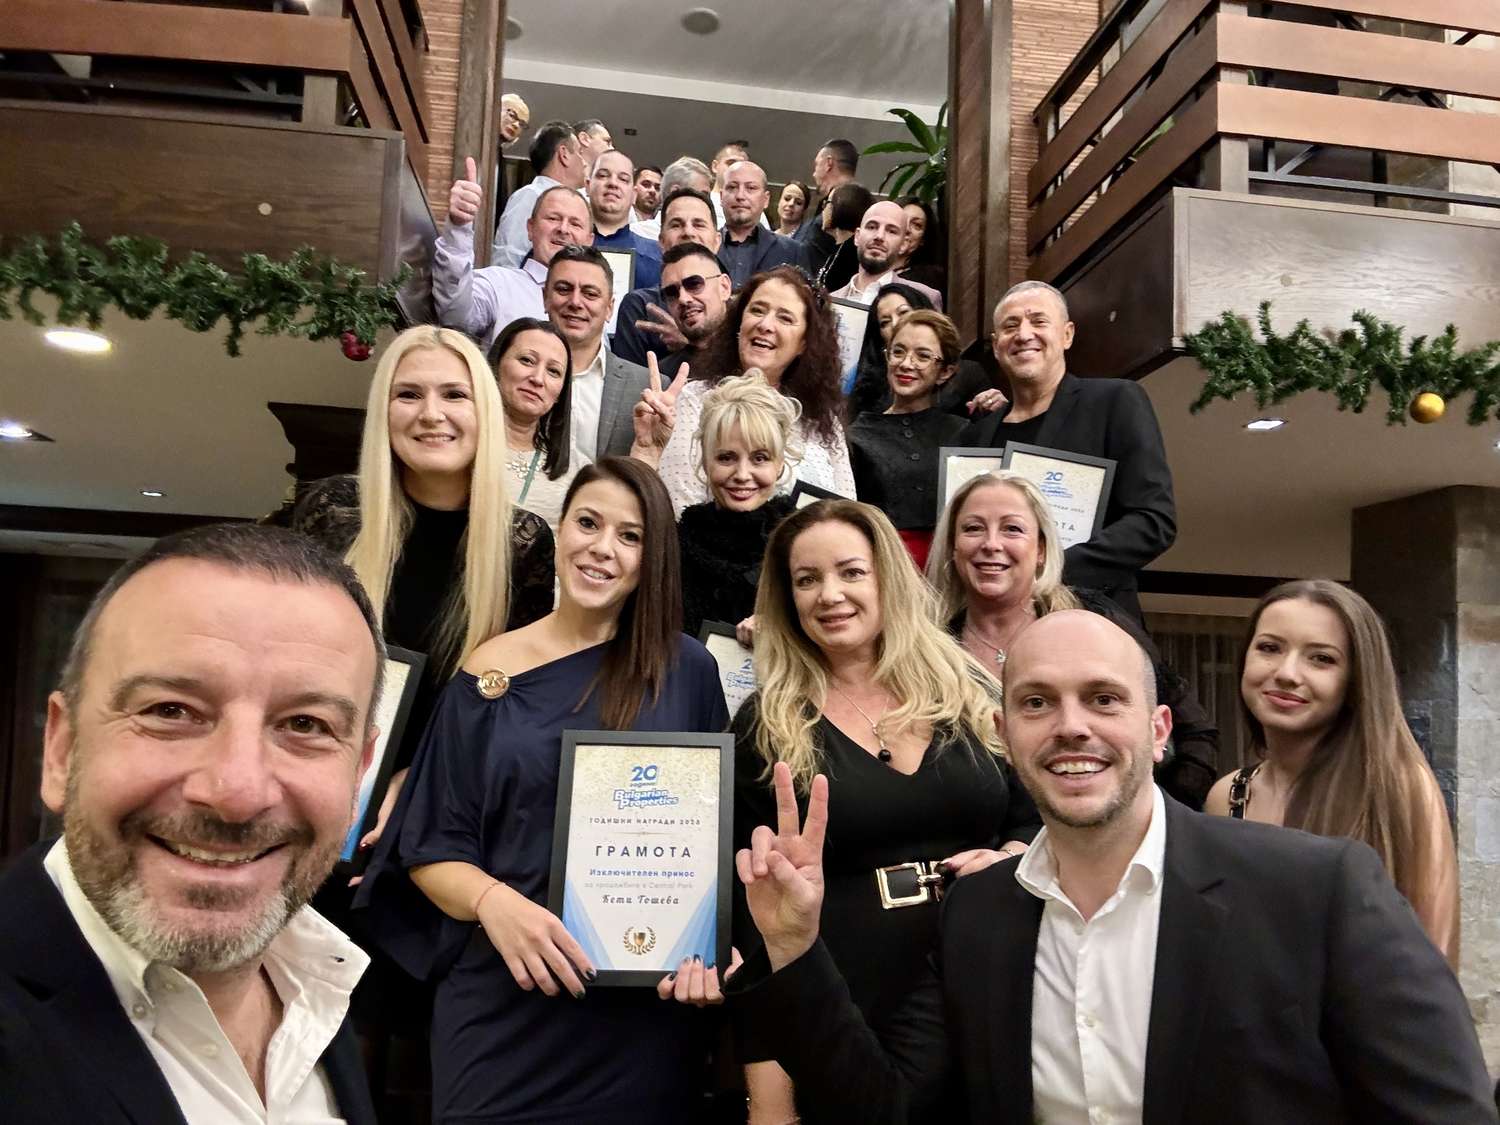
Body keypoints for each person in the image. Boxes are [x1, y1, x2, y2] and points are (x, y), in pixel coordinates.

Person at [729, 610, 1498, 1125]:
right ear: (1003, 732)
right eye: (1037, 703)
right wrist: (794, 948)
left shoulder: (1318, 890)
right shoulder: (976, 915)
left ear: (1159, 729)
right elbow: (888, 1108)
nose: (1071, 726)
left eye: (1103, 698)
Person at [356, 458, 731, 1124]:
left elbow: (709, 846)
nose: (602, 547)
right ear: (561, 531)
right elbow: (429, 846)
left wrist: (706, 943)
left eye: (630, 535)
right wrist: (494, 903)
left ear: (652, 559)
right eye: (588, 523)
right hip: (504, 997)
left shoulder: (689, 671)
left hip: (639, 1018)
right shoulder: (487, 670)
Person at [0, 523, 384, 1124]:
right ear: (62, 749)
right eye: (171, 711)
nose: (237, 793)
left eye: (305, 725)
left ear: (358, 772)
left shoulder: (317, 979)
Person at [733, 500, 1040, 1125]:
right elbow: (756, 920)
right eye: (807, 579)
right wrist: (770, 1103)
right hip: (847, 997)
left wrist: (1011, 861)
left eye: (851, 572)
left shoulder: (967, 689)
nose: (830, 595)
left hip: (988, 969)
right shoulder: (764, 724)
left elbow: (1036, 818)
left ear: (887, 579)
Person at [293, 325, 555, 789]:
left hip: (444, 785)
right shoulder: (332, 510)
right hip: (316, 773)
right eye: (409, 394)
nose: (431, 414)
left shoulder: (525, 542)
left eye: (454, 395)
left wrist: (418, 779)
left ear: (484, 411)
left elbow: (509, 702)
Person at [928, 470, 1218, 809]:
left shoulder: (1096, 619)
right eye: (973, 528)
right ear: (953, 547)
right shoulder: (929, 650)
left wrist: (1164, 818)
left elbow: (1195, 733)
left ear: (1041, 549)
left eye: (1012, 529)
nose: (991, 544)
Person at [1205, 579, 1460, 964]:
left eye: (1321, 658)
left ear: (1355, 680)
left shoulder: (1399, 789)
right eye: (1270, 648)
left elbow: (1434, 962)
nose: (1287, 673)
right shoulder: (1228, 795)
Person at [962, 280, 1175, 622]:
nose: (1024, 334)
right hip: (992, 625)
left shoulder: (1114, 403)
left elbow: (1152, 522)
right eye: (1010, 326)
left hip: (1092, 619)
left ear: (1067, 335)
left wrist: (1047, 573)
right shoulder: (974, 438)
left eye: (1038, 321)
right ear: (997, 344)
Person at [649, 266, 856, 515]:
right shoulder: (696, 399)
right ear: (739, 324)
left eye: (785, 318)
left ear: (804, 343)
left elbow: (847, 512)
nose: (765, 324)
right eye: (757, 310)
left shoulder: (823, 420)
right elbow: (680, 506)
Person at [676, 371, 801, 639]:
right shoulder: (676, 543)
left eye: (759, 458)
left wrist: (782, 629)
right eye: (726, 458)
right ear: (706, 462)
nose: (742, 474)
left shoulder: (801, 543)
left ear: (779, 464)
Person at [848, 310, 967, 566]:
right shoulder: (857, 435)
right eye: (898, 352)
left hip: (952, 567)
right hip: (884, 565)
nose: (906, 363)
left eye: (922, 356)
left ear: (945, 371)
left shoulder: (963, 432)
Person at [436, 174, 592, 352]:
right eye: (553, 218)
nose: (563, 229)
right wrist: (458, 227)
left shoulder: (594, 305)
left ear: (589, 241)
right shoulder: (498, 285)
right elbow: (455, 317)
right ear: (530, 228)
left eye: (575, 224)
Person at [542, 244, 652, 464]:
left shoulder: (647, 387)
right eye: (563, 289)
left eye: (590, 294)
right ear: (545, 297)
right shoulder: (515, 374)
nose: (575, 302)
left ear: (609, 308)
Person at [846, 283, 997, 416]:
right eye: (885, 322)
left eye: (903, 312)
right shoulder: (867, 384)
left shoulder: (967, 375)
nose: (896, 324)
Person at [614, 184, 721, 367]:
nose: (688, 232)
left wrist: (690, 344)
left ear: (717, 241)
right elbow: (627, 379)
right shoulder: (639, 306)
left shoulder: (742, 303)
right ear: (661, 242)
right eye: (676, 225)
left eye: (698, 224)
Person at [491, 317, 578, 533]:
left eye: (553, 371)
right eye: (527, 360)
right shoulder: (458, 445)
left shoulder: (575, 468)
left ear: (561, 392)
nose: (538, 379)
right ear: (496, 365)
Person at [492, 121, 588, 267]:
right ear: (564, 154)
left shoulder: (579, 203)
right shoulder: (529, 197)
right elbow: (508, 257)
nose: (585, 163)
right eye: (580, 153)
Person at [830, 201, 941, 310]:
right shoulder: (828, 302)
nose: (879, 236)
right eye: (872, 227)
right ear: (857, 236)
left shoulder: (924, 298)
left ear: (903, 244)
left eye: (891, 231)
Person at [717, 161, 808, 290]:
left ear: (766, 199)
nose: (740, 196)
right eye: (732, 187)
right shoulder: (702, 246)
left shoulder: (793, 252)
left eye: (750, 188)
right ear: (721, 197)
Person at [583, 148, 660, 290]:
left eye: (623, 179)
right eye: (603, 175)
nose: (613, 183)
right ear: (587, 185)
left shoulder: (656, 255)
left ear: (634, 194)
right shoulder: (565, 243)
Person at [654, 240, 731, 380]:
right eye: (671, 293)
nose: (683, 299)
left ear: (724, 287)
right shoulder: (662, 376)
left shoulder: (755, 355)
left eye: (694, 284)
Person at [630, 154, 711, 243]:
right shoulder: (635, 234)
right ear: (675, 192)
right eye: (702, 195)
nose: (707, 202)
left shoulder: (708, 237)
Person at [793, 137, 859, 244]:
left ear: (829, 163)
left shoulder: (839, 209)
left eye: (817, 165)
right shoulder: (863, 207)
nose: (814, 174)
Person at [811, 181, 874, 292]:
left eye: (828, 203)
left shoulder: (852, 254)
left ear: (841, 206)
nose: (823, 209)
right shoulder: (839, 247)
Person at [892, 195, 946, 297]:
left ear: (923, 239)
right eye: (901, 220)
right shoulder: (866, 266)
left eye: (917, 225)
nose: (907, 229)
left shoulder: (929, 280)